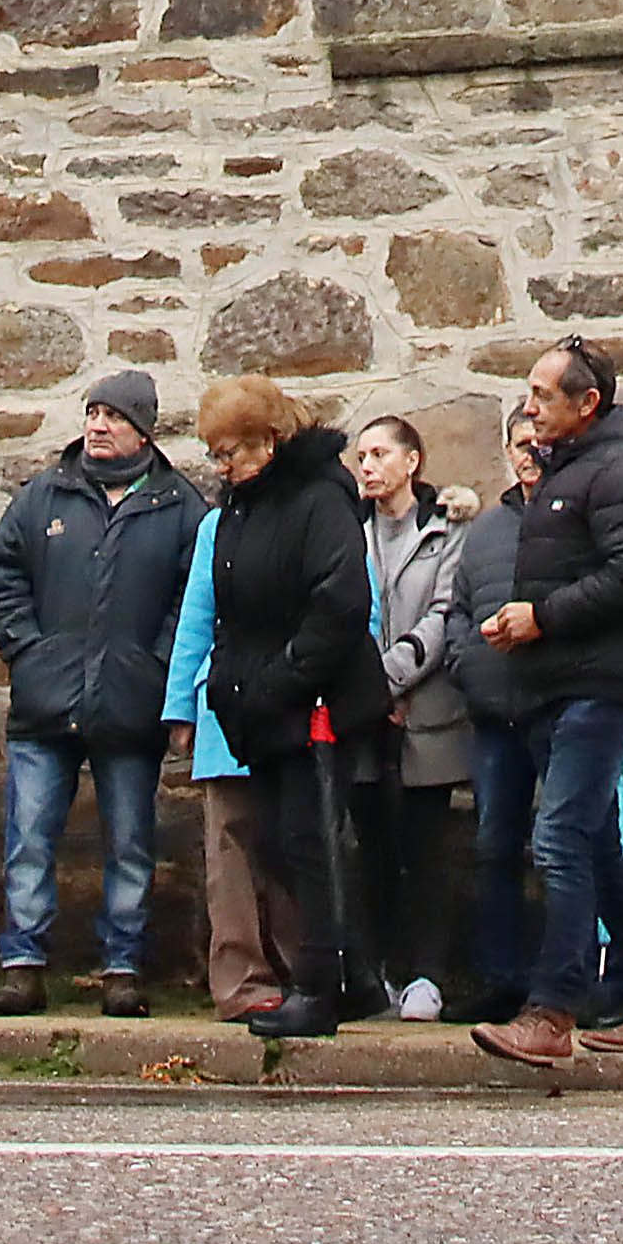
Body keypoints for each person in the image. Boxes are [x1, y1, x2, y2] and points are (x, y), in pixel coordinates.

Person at [471, 339, 623, 1065]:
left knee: (559, 837)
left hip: (602, 688)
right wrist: (523, 622)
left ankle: (553, 1010)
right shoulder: (573, 468)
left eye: (541, 393)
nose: (528, 406)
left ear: (586, 403)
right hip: (558, 684)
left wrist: (544, 617)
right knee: (592, 839)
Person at [0, 369, 203, 1020]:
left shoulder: (179, 505)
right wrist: (31, 650)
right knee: (28, 839)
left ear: (143, 430)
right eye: (92, 413)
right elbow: (1, 578)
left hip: (130, 710)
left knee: (131, 844)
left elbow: (193, 603)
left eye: (113, 416)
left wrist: (154, 667)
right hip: (45, 708)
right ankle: (22, 967)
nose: (98, 426)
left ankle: (123, 969)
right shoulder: (44, 495)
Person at [198, 374, 389, 1041]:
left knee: (313, 843)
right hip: (261, 703)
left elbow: (339, 606)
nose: (222, 467)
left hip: (315, 699)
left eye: (231, 453)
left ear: (270, 442)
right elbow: (230, 606)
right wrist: (230, 683)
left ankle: (322, 983)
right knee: (278, 843)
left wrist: (280, 679)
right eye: (215, 455)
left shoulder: (320, 501)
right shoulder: (242, 507)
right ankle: (357, 974)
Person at [348, 409, 468, 1024]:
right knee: (368, 847)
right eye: (361, 457)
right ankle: (374, 972)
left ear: (411, 462)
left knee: (425, 848)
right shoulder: (349, 531)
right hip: (364, 716)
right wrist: (368, 690)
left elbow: (445, 615)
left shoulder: (446, 531)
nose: (368, 467)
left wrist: (392, 677)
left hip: (428, 711)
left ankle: (425, 973)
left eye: (379, 455)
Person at [161, 455, 281, 1024]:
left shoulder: (318, 517)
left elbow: (362, 609)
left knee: (294, 844)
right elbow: (195, 619)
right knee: (228, 850)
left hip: (292, 701)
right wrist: (181, 706)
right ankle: (241, 982)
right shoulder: (214, 527)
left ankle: (305, 971)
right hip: (223, 706)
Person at [445, 402, 542, 1022]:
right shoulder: (484, 532)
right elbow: (457, 611)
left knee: (566, 848)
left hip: (557, 712)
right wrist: (466, 665)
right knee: (495, 848)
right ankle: (502, 977)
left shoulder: (574, 517)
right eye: (519, 443)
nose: (529, 452)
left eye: (538, 441)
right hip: (494, 720)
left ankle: (568, 981)